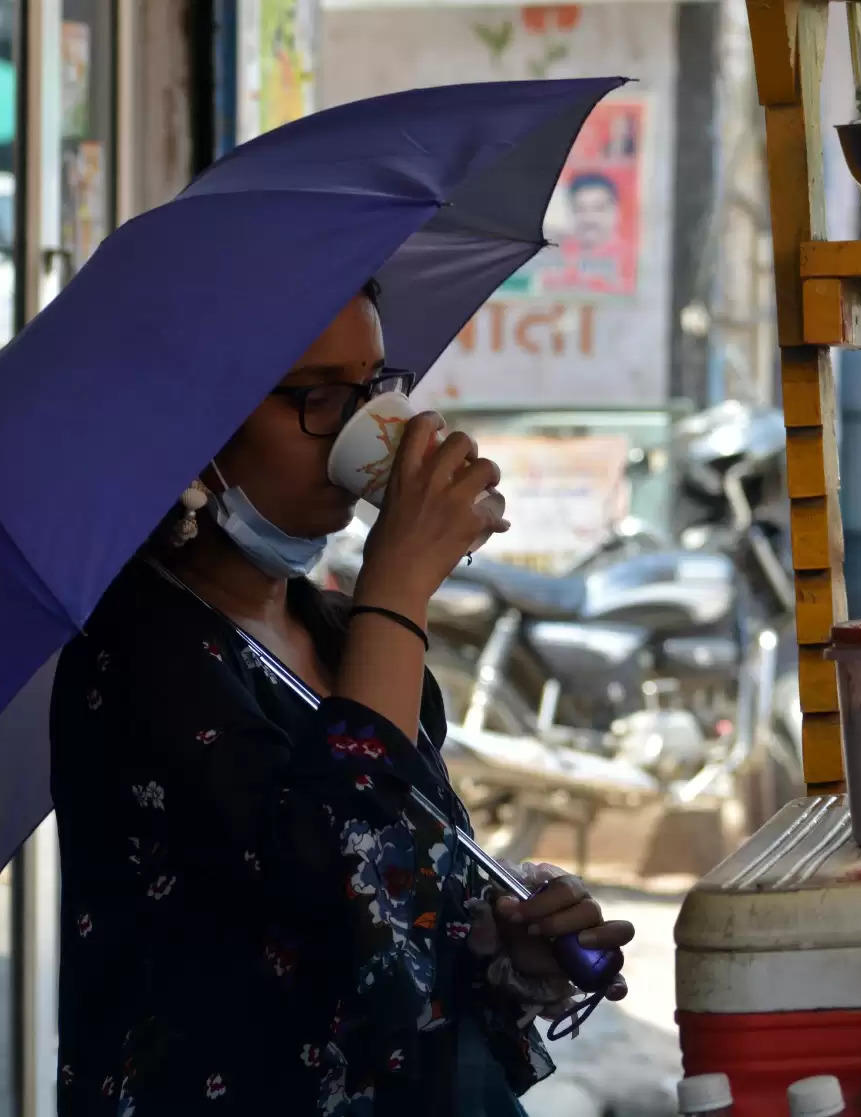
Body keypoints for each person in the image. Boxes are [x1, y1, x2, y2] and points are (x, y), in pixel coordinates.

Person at [50, 278, 635, 1116]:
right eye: (319, 396)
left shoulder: (330, 631)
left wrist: (497, 938)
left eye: (373, 389)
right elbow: (326, 883)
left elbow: (399, 901)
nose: (366, 428)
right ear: (198, 424)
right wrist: (397, 582)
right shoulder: (139, 650)